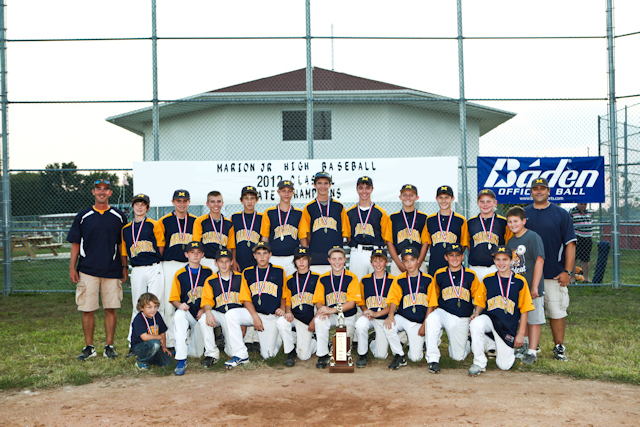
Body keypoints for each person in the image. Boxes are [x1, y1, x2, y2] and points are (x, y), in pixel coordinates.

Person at [68, 178, 127, 361]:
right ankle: (89, 347)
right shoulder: (83, 215)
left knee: (111, 307)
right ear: (93, 192)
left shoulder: (119, 216)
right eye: (98, 189)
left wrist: (124, 266)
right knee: (88, 309)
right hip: (88, 269)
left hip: (112, 269)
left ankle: (109, 346)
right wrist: (72, 267)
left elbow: (121, 244)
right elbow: (76, 243)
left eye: (106, 189)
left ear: (110, 193)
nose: (102, 192)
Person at [525, 177, 576, 361]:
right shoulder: (524, 214)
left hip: (554, 273)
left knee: (557, 311)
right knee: (531, 312)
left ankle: (559, 346)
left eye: (543, 188)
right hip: (529, 275)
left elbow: (570, 244)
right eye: (535, 188)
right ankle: (532, 345)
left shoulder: (561, 214)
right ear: (531, 192)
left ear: (548, 191)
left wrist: (567, 271)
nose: (539, 191)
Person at [468, 245, 534, 376]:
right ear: (494, 261)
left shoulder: (520, 281)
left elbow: (525, 309)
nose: (501, 263)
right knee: (475, 323)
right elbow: (480, 302)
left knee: (504, 366)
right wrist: (476, 314)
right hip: (490, 319)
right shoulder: (488, 279)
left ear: (511, 261)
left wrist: (521, 334)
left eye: (505, 259)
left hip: (507, 326)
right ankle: (479, 362)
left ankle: (496, 342)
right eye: (498, 259)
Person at [224, 242, 292, 368]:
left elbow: (283, 294)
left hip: (270, 316)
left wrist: (282, 309)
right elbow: (246, 299)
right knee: (231, 314)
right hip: (253, 314)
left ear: (270, 255)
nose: (262, 257)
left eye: (265, 253)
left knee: (268, 355)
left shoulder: (278, 271)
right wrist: (255, 317)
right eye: (259, 253)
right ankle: (241, 354)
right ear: (254, 256)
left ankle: (277, 338)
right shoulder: (247, 272)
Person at [424, 243, 484, 374]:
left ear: (463, 257)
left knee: (458, 357)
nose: (454, 258)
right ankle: (433, 359)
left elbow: (478, 298)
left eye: (457, 255)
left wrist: (477, 313)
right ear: (446, 257)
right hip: (444, 312)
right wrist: (428, 318)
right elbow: (434, 298)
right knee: (432, 319)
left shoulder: (470, 274)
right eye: (451, 255)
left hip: (462, 317)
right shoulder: (439, 274)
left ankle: (467, 342)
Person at [121, 193, 165, 356]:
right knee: (138, 306)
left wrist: (155, 261)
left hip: (154, 267)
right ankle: (134, 343)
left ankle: (159, 341)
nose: (139, 207)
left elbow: (160, 247)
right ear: (132, 207)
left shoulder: (154, 224)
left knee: (155, 304)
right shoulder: (126, 229)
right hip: (137, 268)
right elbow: (124, 251)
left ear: (148, 207)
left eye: (143, 204)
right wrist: (125, 267)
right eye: (136, 204)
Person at [158, 189, 197, 348]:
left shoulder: (195, 221)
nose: (182, 204)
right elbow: (160, 246)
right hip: (170, 264)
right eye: (179, 201)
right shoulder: (164, 221)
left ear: (189, 202)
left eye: (185, 201)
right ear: (173, 202)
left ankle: (188, 338)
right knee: (169, 302)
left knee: (188, 300)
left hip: (188, 264)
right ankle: (172, 339)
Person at [506, 206, 545, 365]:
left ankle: (532, 352)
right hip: (518, 287)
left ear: (523, 221)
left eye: (516, 221)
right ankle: (525, 346)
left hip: (531, 287)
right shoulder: (511, 241)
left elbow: (539, 260)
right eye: (509, 222)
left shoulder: (532, 237)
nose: (512, 224)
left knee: (534, 319)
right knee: (523, 318)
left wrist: (535, 286)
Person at [312, 246, 362, 369]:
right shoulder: (323, 278)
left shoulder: (352, 277)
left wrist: (332, 309)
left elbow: (351, 303)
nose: (337, 262)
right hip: (331, 315)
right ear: (329, 260)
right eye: (334, 259)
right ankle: (322, 354)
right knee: (320, 320)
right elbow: (318, 301)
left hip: (347, 316)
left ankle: (335, 346)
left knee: (342, 353)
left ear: (345, 260)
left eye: (340, 259)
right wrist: (323, 309)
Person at [169, 241, 214, 375]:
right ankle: (181, 359)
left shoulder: (208, 272)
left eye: (198, 252)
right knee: (178, 315)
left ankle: (186, 348)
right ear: (186, 254)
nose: (195, 255)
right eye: (192, 252)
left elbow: (212, 295)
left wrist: (204, 309)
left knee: (197, 353)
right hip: (187, 311)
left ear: (202, 255)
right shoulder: (180, 273)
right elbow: (173, 298)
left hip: (201, 313)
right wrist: (179, 305)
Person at [383, 247, 432, 370]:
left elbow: (432, 304)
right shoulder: (399, 279)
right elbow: (394, 300)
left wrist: (425, 324)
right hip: (403, 318)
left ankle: (421, 342)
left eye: (412, 260)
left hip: (418, 322)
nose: (409, 264)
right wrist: (390, 316)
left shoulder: (428, 279)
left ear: (418, 261)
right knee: (388, 325)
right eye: (405, 261)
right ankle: (399, 355)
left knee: (416, 358)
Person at [198, 247, 246, 367]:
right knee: (204, 318)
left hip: (235, 317)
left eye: (227, 261)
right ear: (216, 263)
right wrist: (208, 312)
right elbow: (207, 301)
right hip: (219, 314)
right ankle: (211, 354)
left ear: (231, 262)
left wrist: (243, 323)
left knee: (231, 352)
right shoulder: (210, 280)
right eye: (221, 261)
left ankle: (227, 343)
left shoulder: (240, 277)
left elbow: (246, 301)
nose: (224, 264)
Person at [276, 246, 320, 367]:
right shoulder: (290, 279)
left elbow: (320, 303)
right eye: (298, 259)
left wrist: (315, 320)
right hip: (294, 318)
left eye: (304, 259)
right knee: (281, 322)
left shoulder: (317, 278)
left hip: (308, 321)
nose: (301, 262)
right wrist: (288, 311)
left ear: (309, 260)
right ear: (294, 261)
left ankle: (314, 341)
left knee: (304, 356)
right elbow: (288, 300)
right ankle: (290, 352)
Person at [300, 171, 350, 275]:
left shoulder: (339, 207)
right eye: (319, 183)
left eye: (326, 183)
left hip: (335, 255)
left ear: (330, 185)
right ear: (314, 185)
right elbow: (305, 234)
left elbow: (342, 233)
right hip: (315, 254)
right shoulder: (309, 208)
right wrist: (305, 255)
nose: (323, 186)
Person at [354, 248, 394, 368]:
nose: (378, 264)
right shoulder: (365, 280)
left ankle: (371, 341)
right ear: (371, 262)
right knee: (360, 324)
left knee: (381, 355)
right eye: (375, 261)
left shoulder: (393, 281)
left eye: (381, 261)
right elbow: (360, 300)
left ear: (386, 262)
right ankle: (362, 353)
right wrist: (365, 310)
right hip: (369, 315)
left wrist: (377, 314)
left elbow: (393, 304)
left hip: (383, 317)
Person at [346, 176, 392, 280]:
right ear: (357, 189)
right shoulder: (349, 213)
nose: (364, 191)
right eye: (361, 187)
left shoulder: (381, 212)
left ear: (372, 189)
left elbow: (385, 237)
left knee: (376, 285)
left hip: (376, 252)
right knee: (357, 285)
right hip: (357, 252)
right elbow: (348, 237)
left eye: (367, 188)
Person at [467, 189, 512, 281]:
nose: (485, 204)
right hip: (476, 267)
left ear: (495, 203)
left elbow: (508, 243)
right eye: (482, 202)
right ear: (478, 203)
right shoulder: (471, 222)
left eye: (488, 201)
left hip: (496, 267)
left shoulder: (503, 222)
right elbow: (468, 244)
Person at [260, 179, 303, 277]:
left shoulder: (299, 213)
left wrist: (303, 256)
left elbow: (303, 237)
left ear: (293, 193)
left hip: (293, 257)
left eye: (289, 191)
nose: (286, 194)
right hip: (274, 257)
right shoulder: (269, 212)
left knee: (292, 286)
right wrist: (264, 256)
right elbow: (265, 237)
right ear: (278, 192)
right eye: (283, 191)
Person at [425, 185, 470, 277]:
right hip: (435, 265)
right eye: (440, 197)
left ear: (452, 199)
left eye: (446, 197)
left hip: (454, 266)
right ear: (436, 199)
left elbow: (463, 243)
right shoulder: (430, 219)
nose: (443, 200)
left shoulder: (460, 220)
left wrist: (455, 257)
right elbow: (427, 242)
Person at [387, 184, 429, 276]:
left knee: (420, 289)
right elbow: (389, 242)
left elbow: (425, 242)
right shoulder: (393, 217)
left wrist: (419, 262)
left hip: (418, 259)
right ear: (400, 197)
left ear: (417, 197)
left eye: (411, 195)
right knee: (397, 289)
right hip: (399, 259)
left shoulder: (424, 217)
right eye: (405, 195)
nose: (408, 197)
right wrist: (398, 263)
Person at [193, 190, 236, 273]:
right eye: (212, 202)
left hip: (222, 261)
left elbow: (229, 247)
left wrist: (229, 263)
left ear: (222, 203)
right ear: (207, 204)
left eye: (218, 201)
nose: (216, 204)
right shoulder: (200, 221)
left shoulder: (229, 224)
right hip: (205, 260)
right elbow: (196, 244)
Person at [130, 292, 173, 370]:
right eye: (149, 307)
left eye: (155, 306)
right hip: (139, 347)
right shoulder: (138, 319)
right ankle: (141, 361)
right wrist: (159, 337)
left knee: (168, 361)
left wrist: (163, 347)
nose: (153, 310)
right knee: (155, 343)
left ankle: (149, 358)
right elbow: (144, 337)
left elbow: (162, 331)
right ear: (142, 308)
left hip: (153, 345)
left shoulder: (157, 315)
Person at [231, 186, 263, 272]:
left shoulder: (262, 218)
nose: (249, 201)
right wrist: (233, 260)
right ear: (241, 200)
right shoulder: (235, 217)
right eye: (246, 198)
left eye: (252, 198)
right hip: (239, 261)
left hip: (257, 261)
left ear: (257, 200)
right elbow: (232, 242)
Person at [569, 203, 594, 283]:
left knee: (586, 260)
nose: (583, 206)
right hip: (577, 237)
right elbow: (569, 224)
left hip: (588, 238)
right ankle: (572, 279)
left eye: (585, 204)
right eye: (582, 204)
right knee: (574, 259)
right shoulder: (572, 212)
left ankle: (586, 278)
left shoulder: (589, 213)